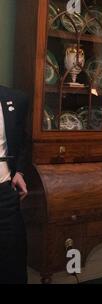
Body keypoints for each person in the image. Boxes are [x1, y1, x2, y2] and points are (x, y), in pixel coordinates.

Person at [0, 86, 28, 284]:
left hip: (5, 193)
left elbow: (23, 140)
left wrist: (19, 171)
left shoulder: (15, 99)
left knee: (13, 262)